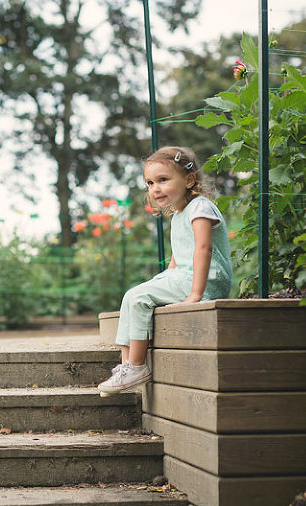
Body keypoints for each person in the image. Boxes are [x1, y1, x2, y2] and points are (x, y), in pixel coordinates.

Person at [98, 146, 232, 397]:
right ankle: (126, 367)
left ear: (189, 180)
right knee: (133, 295)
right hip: (186, 276)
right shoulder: (178, 215)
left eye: (163, 180)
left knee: (139, 298)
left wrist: (195, 295)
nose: (155, 188)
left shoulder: (200, 207)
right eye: (150, 183)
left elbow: (203, 248)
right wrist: (160, 280)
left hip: (206, 280)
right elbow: (177, 258)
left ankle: (137, 367)